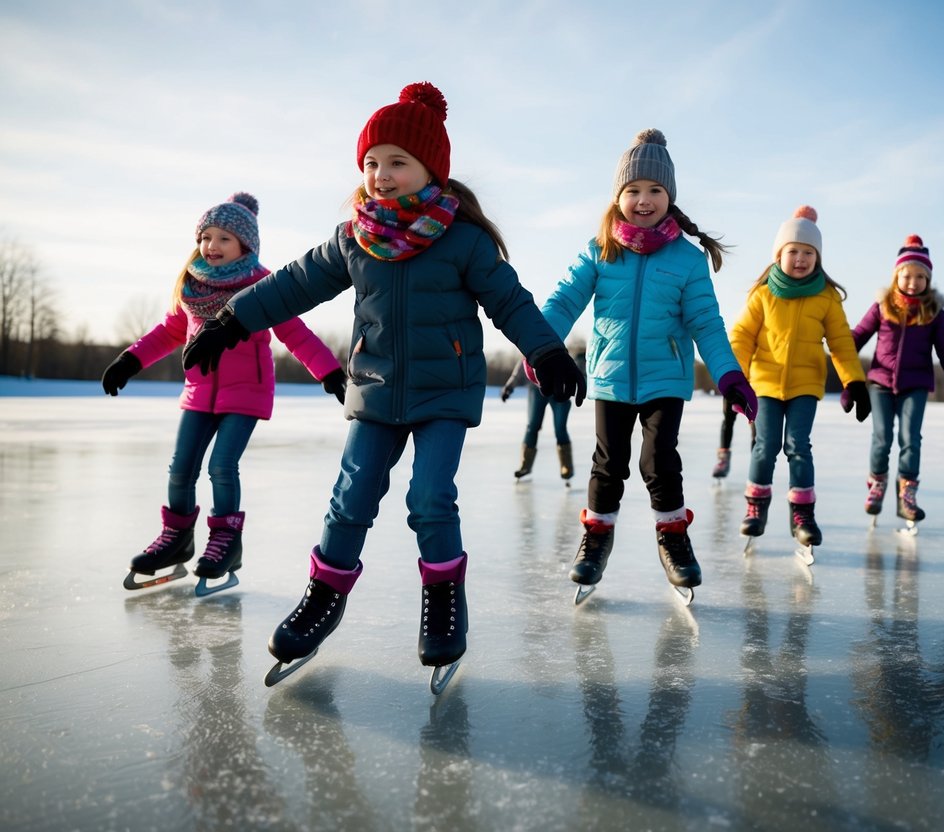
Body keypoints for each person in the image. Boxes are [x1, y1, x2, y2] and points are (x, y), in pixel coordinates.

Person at [181, 82, 585, 689]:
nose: (381, 175)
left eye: (397, 161)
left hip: (443, 392)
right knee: (352, 494)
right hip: (373, 390)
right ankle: (323, 597)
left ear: (431, 168)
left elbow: (510, 301)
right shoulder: (355, 238)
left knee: (428, 496)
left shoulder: (463, 240)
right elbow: (290, 284)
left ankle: (445, 600)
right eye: (372, 163)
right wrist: (229, 319)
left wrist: (546, 350)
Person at [535, 128, 757, 603]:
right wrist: (541, 347)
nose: (643, 199)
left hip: (665, 378)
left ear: (669, 197)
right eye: (633, 190)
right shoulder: (600, 250)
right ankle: (596, 541)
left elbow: (708, 325)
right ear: (619, 197)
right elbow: (563, 301)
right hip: (611, 378)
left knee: (659, 463)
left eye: (655, 190)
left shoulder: (687, 259)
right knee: (608, 464)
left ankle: (673, 541)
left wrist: (729, 375)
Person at [102, 192, 344, 595]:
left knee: (221, 466)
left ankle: (225, 543)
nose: (211, 246)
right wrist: (130, 360)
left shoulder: (263, 286)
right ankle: (176, 538)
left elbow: (295, 334)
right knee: (180, 469)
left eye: (223, 239)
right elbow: (169, 332)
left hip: (246, 392)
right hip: (198, 392)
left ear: (245, 245)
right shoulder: (193, 288)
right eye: (206, 237)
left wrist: (330, 372)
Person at [729, 205, 870, 550]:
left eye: (809, 252)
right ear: (779, 254)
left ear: (817, 258)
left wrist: (854, 381)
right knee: (765, 447)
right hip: (763, 383)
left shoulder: (826, 297)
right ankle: (755, 508)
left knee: (798, 446)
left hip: (805, 385)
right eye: (793, 251)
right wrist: (735, 377)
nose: (801, 259)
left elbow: (840, 343)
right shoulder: (763, 294)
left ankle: (803, 516)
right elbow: (742, 337)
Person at [849, 234, 944, 524]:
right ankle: (877, 483)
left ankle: (907, 493)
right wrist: (837, 365)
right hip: (880, 382)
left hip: (915, 385)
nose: (913, 282)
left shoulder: (933, 313)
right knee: (882, 438)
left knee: (910, 439)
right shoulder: (882, 306)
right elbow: (855, 339)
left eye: (920, 276)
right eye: (907, 275)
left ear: (928, 280)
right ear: (896, 276)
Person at [500, 342, 586, 481]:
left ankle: (567, 467)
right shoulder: (532, 343)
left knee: (560, 429)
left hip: (559, 388)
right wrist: (509, 386)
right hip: (537, 389)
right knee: (533, 426)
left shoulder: (558, 342)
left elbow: (572, 365)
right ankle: (525, 465)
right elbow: (522, 366)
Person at [710, 394, 756, 478]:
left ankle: (757, 462)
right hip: (734, 385)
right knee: (728, 418)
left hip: (754, 386)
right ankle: (723, 460)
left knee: (756, 422)